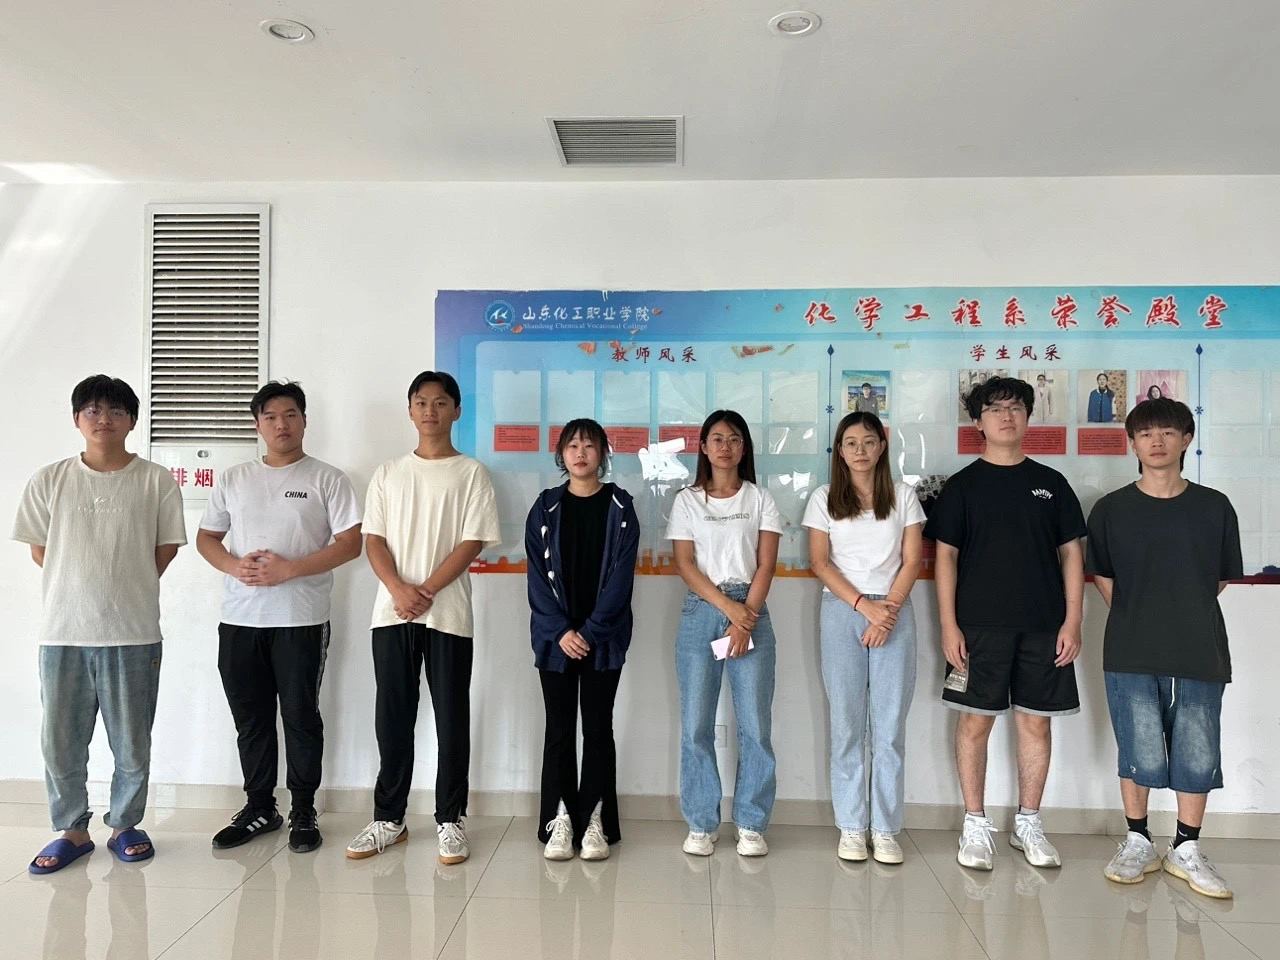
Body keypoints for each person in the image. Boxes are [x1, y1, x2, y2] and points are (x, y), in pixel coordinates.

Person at [14, 375, 187, 874]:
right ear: (76, 419)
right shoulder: (50, 479)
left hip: (133, 632)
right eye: (91, 409)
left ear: (132, 420)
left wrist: (126, 585)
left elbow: (165, 548)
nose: (103, 419)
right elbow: (41, 551)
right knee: (60, 741)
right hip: (63, 632)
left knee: (131, 741)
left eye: (115, 410)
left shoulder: (155, 480)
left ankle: (125, 825)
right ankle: (70, 829)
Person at [925, 376, 1085, 872]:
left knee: (1035, 722)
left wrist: (1073, 620)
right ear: (978, 421)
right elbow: (945, 558)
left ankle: (1028, 823)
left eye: (1016, 407)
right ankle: (975, 824)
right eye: (995, 408)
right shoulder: (962, 486)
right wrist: (948, 626)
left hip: (1044, 626)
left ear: (1028, 417)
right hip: (978, 628)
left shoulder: (1051, 484)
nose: (1006, 416)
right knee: (975, 722)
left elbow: (1071, 555)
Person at [197, 381, 362, 854]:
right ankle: (260, 807)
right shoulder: (234, 478)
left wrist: (291, 569)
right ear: (257, 424)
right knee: (250, 718)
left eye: (290, 414)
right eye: (270, 416)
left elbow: (351, 543)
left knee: (300, 716)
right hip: (240, 619)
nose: (281, 424)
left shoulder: (327, 478)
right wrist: (234, 566)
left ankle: (304, 810)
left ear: (304, 420)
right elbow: (207, 537)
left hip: (301, 620)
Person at [1087, 398, 1242, 900]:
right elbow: (1103, 576)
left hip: (1199, 647)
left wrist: (1180, 610)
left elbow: (1220, 577)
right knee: (1138, 747)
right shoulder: (1111, 509)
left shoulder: (1214, 506)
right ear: (1132, 443)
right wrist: (1142, 615)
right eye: (1146, 433)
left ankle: (1186, 847)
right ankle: (1137, 840)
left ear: (1186, 440)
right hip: (1130, 647)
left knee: (1198, 748)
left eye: (1168, 432)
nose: (1157, 441)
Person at [345, 371, 499, 865]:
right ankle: (389, 819)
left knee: (452, 719)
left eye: (440, 402)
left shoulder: (472, 473)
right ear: (410, 410)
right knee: (392, 719)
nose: (430, 411)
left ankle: (450, 820)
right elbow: (373, 539)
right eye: (421, 402)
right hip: (391, 614)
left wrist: (425, 590)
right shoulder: (389, 472)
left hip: (448, 614)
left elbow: (472, 541)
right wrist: (398, 589)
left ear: (457, 410)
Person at [804, 412, 924, 864]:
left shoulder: (904, 496)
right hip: (842, 611)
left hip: (894, 610)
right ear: (839, 450)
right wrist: (863, 606)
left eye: (869, 442)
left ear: (882, 447)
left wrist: (885, 612)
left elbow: (912, 560)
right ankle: (853, 827)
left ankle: (886, 829)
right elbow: (820, 563)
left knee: (889, 729)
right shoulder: (824, 498)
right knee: (847, 726)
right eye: (851, 443)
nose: (860, 450)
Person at [666, 410, 782, 857]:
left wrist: (744, 614)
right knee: (696, 724)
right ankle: (701, 822)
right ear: (703, 447)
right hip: (703, 610)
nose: (725, 447)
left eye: (734, 439)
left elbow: (766, 564)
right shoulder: (687, 501)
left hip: (752, 609)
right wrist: (729, 609)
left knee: (755, 725)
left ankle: (751, 823)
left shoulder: (760, 498)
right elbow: (684, 564)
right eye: (717, 439)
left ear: (743, 447)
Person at [525, 419, 639, 861]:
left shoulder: (621, 507)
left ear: (603, 454)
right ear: (561, 454)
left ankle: (594, 821)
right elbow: (537, 580)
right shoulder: (544, 508)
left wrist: (588, 633)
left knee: (597, 728)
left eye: (589, 446)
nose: (580, 453)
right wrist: (561, 632)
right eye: (572, 445)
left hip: (602, 640)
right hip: (554, 641)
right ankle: (560, 820)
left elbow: (621, 582)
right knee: (558, 729)